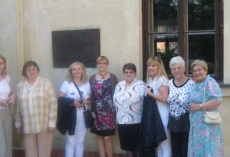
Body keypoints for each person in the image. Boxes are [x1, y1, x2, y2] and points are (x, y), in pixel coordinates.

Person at [15, 60, 57, 157]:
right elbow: (17, 106)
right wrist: (18, 123)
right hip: (27, 124)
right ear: (24, 72)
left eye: (34, 69)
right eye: (28, 69)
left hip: (44, 123)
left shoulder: (46, 83)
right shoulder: (20, 86)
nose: (32, 71)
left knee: (44, 152)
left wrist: (52, 122)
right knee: (30, 153)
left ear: (38, 70)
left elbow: (53, 103)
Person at [188, 59, 224, 157]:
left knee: (208, 150)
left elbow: (218, 99)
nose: (197, 72)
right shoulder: (198, 83)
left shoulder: (210, 82)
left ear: (206, 70)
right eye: (194, 71)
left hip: (207, 126)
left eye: (199, 70)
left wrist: (199, 106)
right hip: (198, 126)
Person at [59, 61, 91, 157]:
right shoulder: (66, 84)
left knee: (80, 142)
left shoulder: (87, 84)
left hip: (83, 116)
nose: (76, 71)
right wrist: (72, 102)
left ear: (82, 71)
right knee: (70, 141)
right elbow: (60, 100)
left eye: (79, 69)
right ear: (71, 71)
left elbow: (90, 100)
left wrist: (86, 101)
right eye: (74, 69)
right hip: (71, 117)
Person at [113, 63, 146, 157]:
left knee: (136, 147)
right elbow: (115, 102)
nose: (128, 74)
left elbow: (146, 104)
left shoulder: (141, 85)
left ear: (135, 73)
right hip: (122, 121)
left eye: (131, 72)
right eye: (126, 72)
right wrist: (116, 119)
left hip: (136, 121)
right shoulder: (119, 85)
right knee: (127, 147)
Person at [89, 56, 118, 157]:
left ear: (107, 65)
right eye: (100, 63)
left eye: (104, 63)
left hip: (109, 112)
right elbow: (90, 94)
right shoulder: (92, 78)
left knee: (107, 138)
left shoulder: (113, 77)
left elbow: (117, 93)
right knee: (99, 138)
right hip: (96, 112)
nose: (102, 65)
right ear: (96, 65)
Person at [167, 56, 195, 157]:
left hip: (186, 123)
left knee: (185, 151)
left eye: (179, 68)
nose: (177, 70)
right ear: (171, 70)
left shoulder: (192, 84)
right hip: (173, 122)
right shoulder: (169, 83)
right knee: (175, 151)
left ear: (184, 68)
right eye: (174, 69)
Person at [146, 56, 171, 157]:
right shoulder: (151, 80)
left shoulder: (161, 79)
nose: (150, 68)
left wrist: (150, 94)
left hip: (162, 116)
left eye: (154, 66)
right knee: (160, 144)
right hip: (155, 117)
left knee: (165, 144)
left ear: (159, 67)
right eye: (149, 65)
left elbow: (164, 98)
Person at [0, 55, 16, 157]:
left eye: (1, 63)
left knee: (8, 141)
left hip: (7, 112)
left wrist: (13, 97)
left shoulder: (7, 78)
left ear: (4, 65)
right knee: (1, 144)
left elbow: (12, 93)